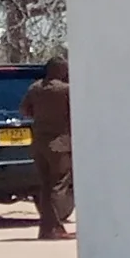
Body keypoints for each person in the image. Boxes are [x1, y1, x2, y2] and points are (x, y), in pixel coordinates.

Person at [24, 53, 75, 240]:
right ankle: (55, 227)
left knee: (45, 185)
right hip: (59, 144)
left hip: (38, 142)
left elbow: (24, 110)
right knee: (59, 185)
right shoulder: (66, 90)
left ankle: (46, 229)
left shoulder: (34, 88)